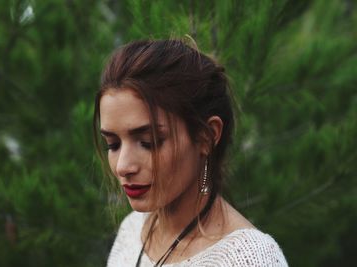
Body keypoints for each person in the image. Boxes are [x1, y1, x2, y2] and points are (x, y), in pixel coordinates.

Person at [93, 39, 288, 266]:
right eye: (113, 144)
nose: (123, 166)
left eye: (148, 142)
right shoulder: (133, 230)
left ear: (206, 137)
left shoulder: (250, 259)